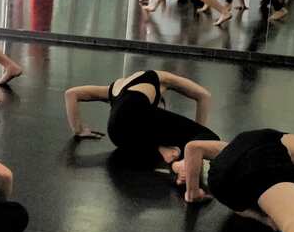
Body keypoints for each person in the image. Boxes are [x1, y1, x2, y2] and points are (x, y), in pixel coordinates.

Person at [64, 69, 217, 165]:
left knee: (162, 138)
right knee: (209, 138)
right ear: (160, 102)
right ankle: (182, 156)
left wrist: (79, 130)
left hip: (116, 134)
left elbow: (71, 94)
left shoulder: (113, 88)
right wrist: (198, 139)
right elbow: (204, 95)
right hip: (135, 118)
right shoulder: (158, 77)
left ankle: (167, 151)